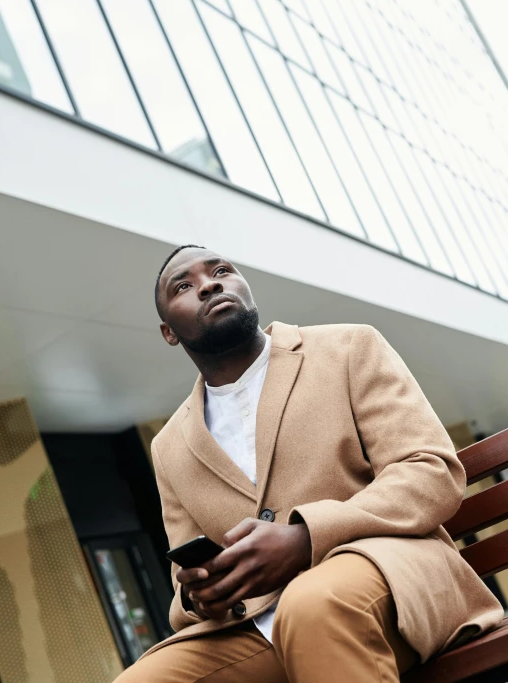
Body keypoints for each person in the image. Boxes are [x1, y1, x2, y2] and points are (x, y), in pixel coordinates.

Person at [115, 244, 502, 683]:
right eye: (184, 286)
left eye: (221, 270)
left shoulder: (350, 347)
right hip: (256, 630)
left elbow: (430, 472)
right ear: (169, 332)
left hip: (394, 584)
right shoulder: (168, 446)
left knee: (311, 605)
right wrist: (202, 596)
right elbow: (184, 572)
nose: (210, 284)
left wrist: (305, 538)